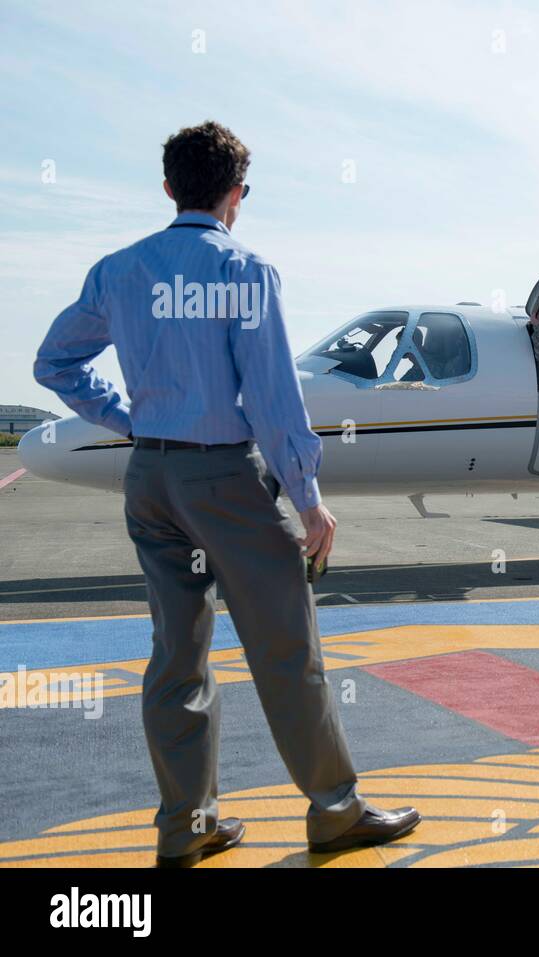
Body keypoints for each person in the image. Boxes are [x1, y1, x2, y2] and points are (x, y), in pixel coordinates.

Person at [33, 121, 420, 865]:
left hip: (149, 477)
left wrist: (131, 416)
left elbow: (55, 362)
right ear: (235, 194)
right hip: (223, 476)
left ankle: (186, 824)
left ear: (170, 187)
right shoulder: (245, 272)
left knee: (177, 654)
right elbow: (274, 397)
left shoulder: (119, 270)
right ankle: (334, 808)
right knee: (286, 646)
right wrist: (308, 497)